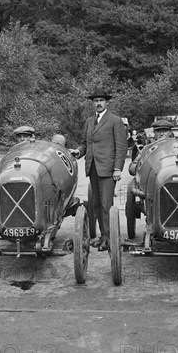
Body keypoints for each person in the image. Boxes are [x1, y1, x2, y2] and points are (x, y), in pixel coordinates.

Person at [69, 89, 128, 251]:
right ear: (92, 103)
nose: (99, 103)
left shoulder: (115, 121)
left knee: (105, 205)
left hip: (108, 169)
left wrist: (117, 169)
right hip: (93, 168)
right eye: (96, 101)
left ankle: (109, 238)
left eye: (101, 100)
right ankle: (102, 236)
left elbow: (121, 147)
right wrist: (78, 152)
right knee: (95, 205)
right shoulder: (89, 121)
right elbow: (86, 143)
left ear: (107, 102)